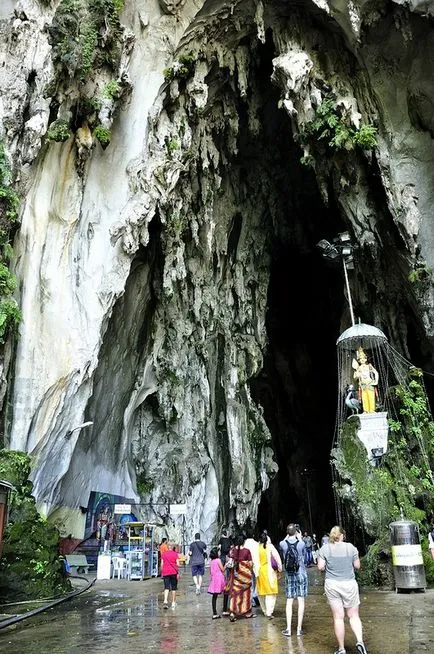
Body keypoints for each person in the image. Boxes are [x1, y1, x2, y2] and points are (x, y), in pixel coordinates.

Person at [317, 525, 368, 654]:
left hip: (332, 585)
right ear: (342, 536)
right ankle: (360, 641)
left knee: (338, 618)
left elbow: (320, 567)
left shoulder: (325, 549)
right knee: (354, 615)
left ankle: (341, 649)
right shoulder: (350, 548)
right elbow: (357, 565)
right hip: (349, 584)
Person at [280, 523, 308, 637]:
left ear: (287, 532)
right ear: (296, 532)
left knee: (289, 601)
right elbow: (305, 556)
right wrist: (299, 537)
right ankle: (299, 629)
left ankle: (288, 629)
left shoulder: (282, 544)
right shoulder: (301, 543)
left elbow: (284, 541)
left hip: (289, 574)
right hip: (301, 573)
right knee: (300, 601)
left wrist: (289, 534)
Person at [225, 533, 255, 621]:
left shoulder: (233, 550)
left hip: (236, 574)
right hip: (245, 576)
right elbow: (250, 563)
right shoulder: (247, 551)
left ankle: (232, 612)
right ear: (244, 542)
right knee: (246, 593)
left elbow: (229, 561)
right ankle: (247, 612)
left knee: (235, 593)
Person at [256, 531, 282, 619]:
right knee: (270, 592)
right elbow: (277, 558)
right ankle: (269, 612)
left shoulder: (257, 547)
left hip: (260, 571)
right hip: (269, 571)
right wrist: (279, 569)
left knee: (261, 592)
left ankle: (264, 610)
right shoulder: (270, 547)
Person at [352, 347, 379, 413]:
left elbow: (376, 373)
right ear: (359, 360)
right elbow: (355, 378)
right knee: (364, 398)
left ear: (366, 359)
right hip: (363, 385)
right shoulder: (358, 368)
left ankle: (372, 410)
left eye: (364, 358)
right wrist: (357, 375)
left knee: (371, 397)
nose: (362, 360)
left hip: (370, 383)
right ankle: (366, 410)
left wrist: (376, 381)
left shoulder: (369, 366)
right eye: (361, 359)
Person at [207, 547, 227, 619]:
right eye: (218, 552)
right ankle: (225, 610)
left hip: (214, 579)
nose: (219, 553)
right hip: (220, 579)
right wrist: (226, 564)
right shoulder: (218, 560)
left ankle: (214, 613)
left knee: (214, 596)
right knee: (226, 592)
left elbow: (210, 572)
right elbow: (223, 570)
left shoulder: (211, 562)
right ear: (216, 553)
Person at [161, 543, 181, 609]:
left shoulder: (164, 554)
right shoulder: (175, 554)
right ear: (173, 548)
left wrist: (162, 571)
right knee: (173, 588)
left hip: (166, 572)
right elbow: (178, 564)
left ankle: (165, 601)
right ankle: (173, 603)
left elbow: (162, 564)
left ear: (167, 547)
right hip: (173, 572)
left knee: (166, 587)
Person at [243, 527, 260, 607]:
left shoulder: (244, 544)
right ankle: (255, 595)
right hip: (256, 564)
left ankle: (250, 600)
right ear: (253, 535)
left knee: (250, 583)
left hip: (247, 565)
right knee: (256, 581)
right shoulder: (257, 544)